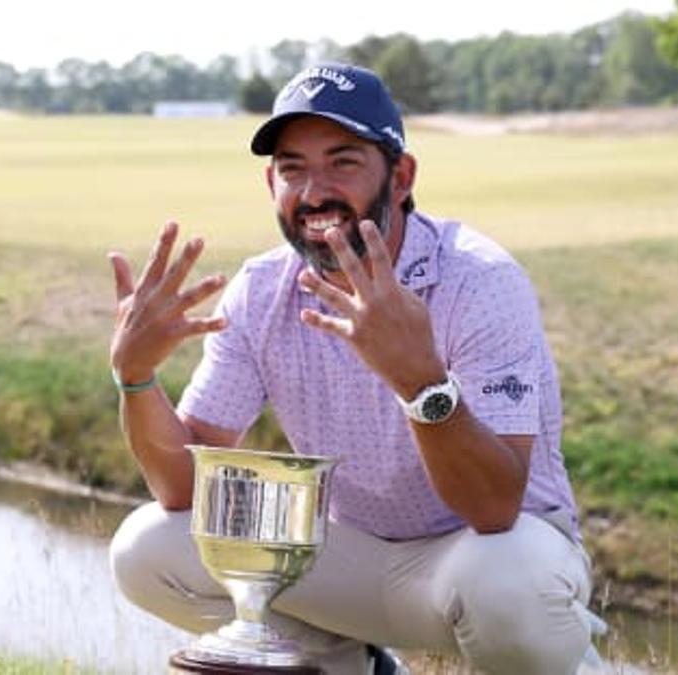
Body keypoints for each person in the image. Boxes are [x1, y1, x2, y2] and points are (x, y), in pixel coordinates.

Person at [106, 63, 601, 674]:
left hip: (482, 554)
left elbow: (495, 506)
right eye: (293, 169)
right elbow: (184, 488)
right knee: (148, 548)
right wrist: (136, 378)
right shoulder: (262, 289)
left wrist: (421, 385)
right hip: (347, 557)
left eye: (343, 162)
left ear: (401, 178)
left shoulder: (479, 281)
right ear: (271, 184)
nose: (314, 193)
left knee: (507, 584)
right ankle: (349, 665)